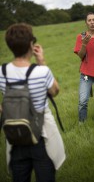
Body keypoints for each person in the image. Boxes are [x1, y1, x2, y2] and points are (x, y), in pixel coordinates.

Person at [0, 23, 66, 182]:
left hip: (15, 137)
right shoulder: (41, 71)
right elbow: (55, 91)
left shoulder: (1, 72)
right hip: (41, 138)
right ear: (31, 44)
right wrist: (41, 61)